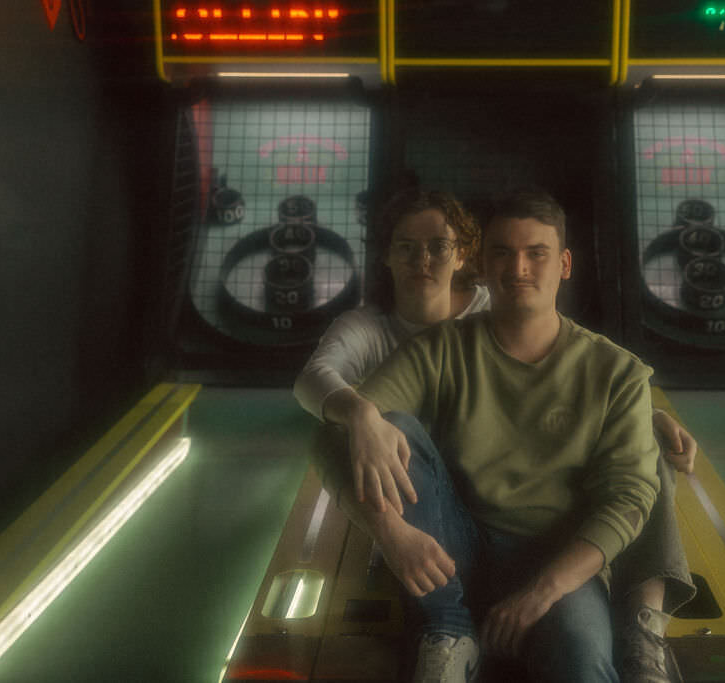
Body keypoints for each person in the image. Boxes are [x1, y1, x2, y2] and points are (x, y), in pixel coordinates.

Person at [296, 188, 697, 682]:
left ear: (564, 264)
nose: (519, 267)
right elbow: (327, 435)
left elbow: (629, 497)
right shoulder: (437, 348)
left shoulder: (618, 373)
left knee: (584, 664)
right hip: (454, 550)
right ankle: (448, 627)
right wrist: (391, 532)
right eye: (503, 253)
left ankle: (633, 627)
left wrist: (542, 592)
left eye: (536, 253)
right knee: (385, 425)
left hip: (558, 558)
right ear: (483, 266)